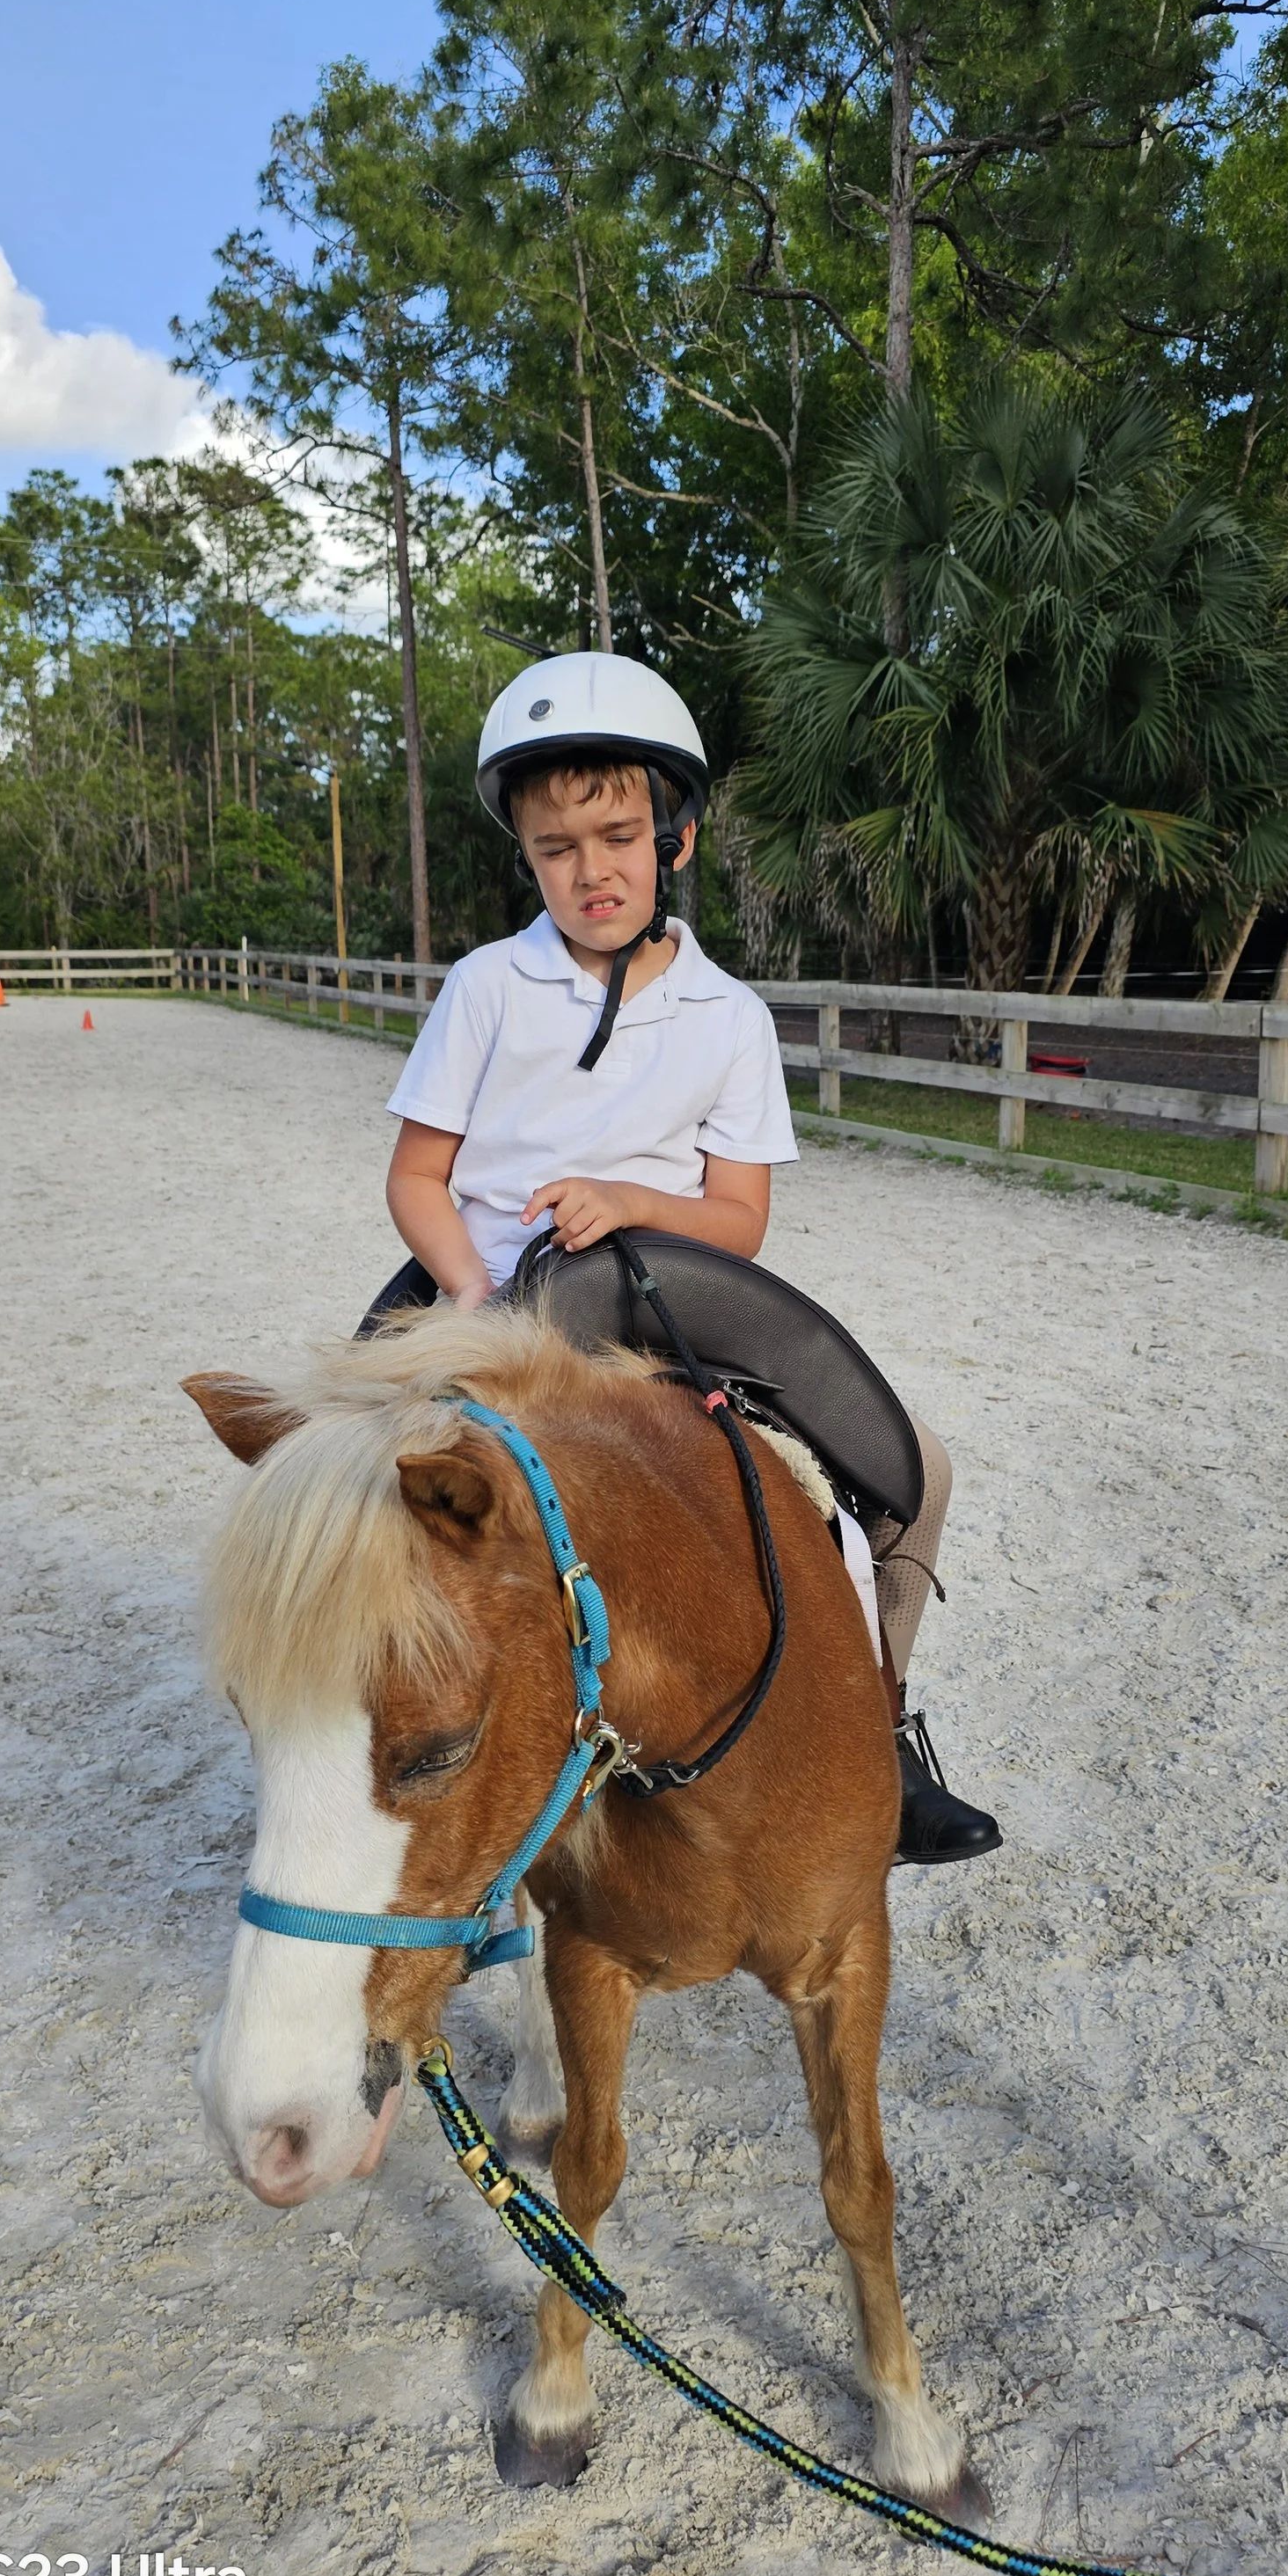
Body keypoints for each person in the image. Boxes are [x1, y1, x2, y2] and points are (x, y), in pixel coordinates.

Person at [380, 650, 999, 1867]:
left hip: (664, 1294)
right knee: (339, 1499)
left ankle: (882, 1735)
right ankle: (367, 1768)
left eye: (616, 836)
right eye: (556, 849)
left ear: (676, 838)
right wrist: (465, 1299)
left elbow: (739, 1219)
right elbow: (415, 1178)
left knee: (908, 1469)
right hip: (486, 1294)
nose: (589, 870)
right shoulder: (488, 987)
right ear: (527, 857)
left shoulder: (730, 1019)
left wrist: (623, 1198)